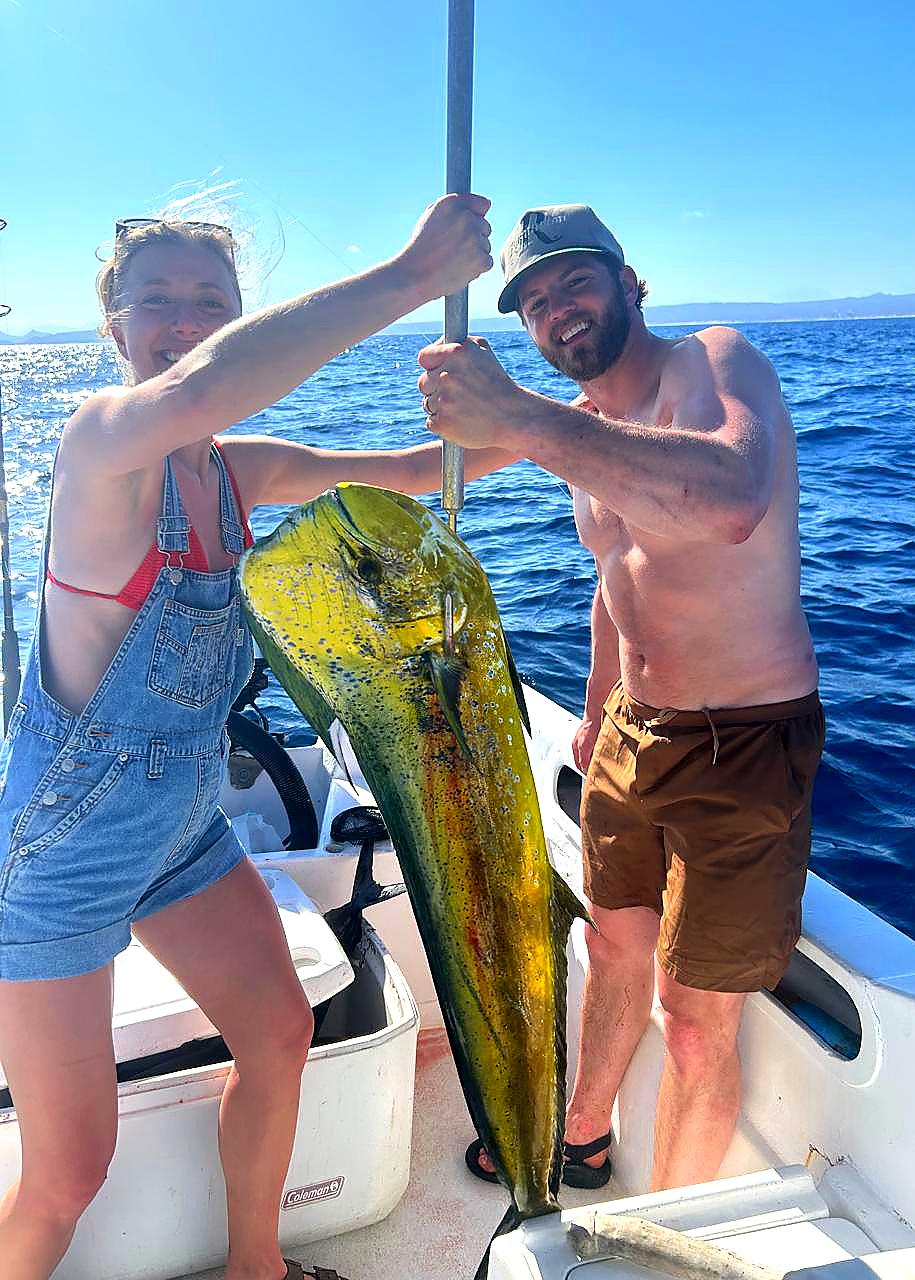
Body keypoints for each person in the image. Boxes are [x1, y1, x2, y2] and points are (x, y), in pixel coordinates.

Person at [0, 194, 512, 1280]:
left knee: (281, 1030)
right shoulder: (103, 440)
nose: (185, 320)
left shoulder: (234, 473)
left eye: (211, 302)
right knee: (69, 1168)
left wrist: (511, 424)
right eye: (160, 302)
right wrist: (409, 274)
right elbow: (201, 388)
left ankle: (255, 1269)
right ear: (113, 327)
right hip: (66, 847)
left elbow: (419, 475)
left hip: (181, 820)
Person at [417, 204, 824, 1193]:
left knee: (692, 1026)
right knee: (610, 947)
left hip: (744, 741)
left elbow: (733, 498)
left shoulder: (712, 364)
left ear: (629, 280)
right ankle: (584, 1134)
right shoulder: (587, 433)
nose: (560, 311)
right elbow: (617, 578)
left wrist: (516, 414)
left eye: (576, 284)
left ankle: (667, 1240)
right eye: (537, 302)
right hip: (631, 734)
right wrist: (600, 709)